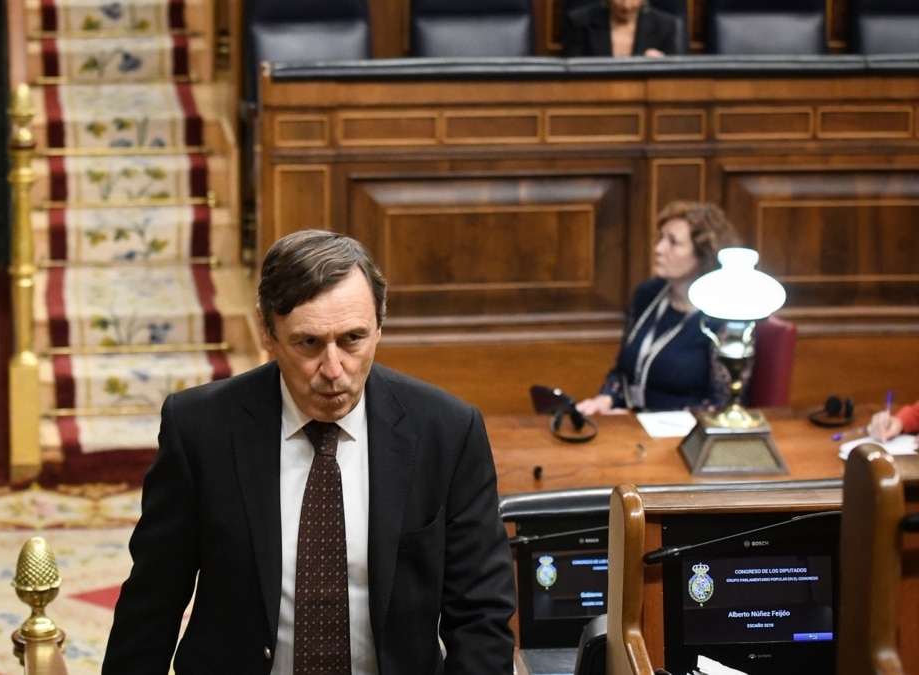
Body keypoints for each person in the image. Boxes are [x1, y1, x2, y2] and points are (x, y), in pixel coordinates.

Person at [102, 229, 517, 674]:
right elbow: (153, 604)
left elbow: (480, 617)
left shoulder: (446, 432)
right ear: (267, 329)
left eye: (353, 339)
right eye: (309, 343)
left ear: (380, 324)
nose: (334, 370)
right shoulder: (201, 430)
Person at [577, 201, 742, 415]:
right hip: (631, 425)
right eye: (661, 238)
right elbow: (623, 372)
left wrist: (643, 420)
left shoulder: (724, 316)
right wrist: (605, 399)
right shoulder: (647, 294)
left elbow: (720, 406)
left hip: (685, 436)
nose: (658, 249)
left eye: (673, 242)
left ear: (703, 255)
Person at [562, 0, 683, 57]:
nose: (626, 5)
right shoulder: (579, 22)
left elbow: (677, 80)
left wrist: (663, 65)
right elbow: (573, 76)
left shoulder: (666, 26)